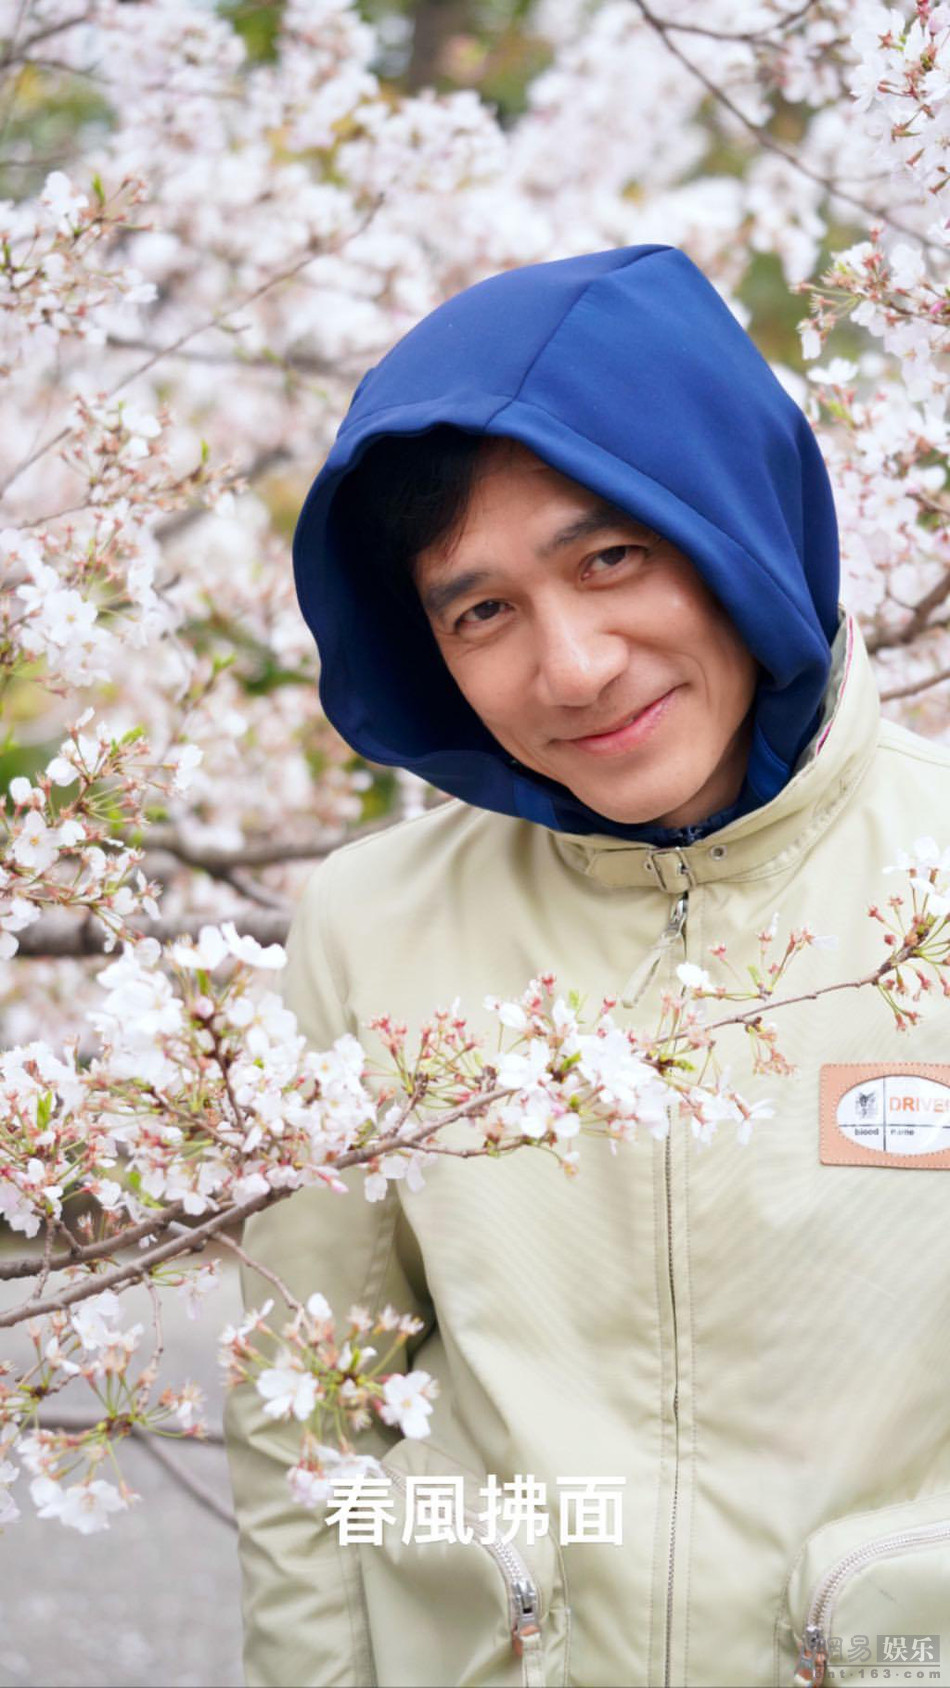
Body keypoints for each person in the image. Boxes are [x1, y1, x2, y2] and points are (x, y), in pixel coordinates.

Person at [224, 245, 950, 1688]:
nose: (571, 668)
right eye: (480, 611)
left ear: (734, 518)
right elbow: (311, 1416)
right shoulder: (371, 926)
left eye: (611, 557)